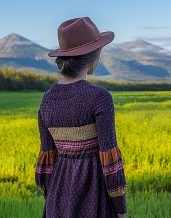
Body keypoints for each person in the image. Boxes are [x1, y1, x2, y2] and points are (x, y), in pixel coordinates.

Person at [35, 17, 127, 218]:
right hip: (94, 195)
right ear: (94, 57)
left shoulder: (46, 100)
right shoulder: (100, 97)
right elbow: (109, 161)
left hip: (58, 197)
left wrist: (52, 198)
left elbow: (46, 161)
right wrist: (120, 207)